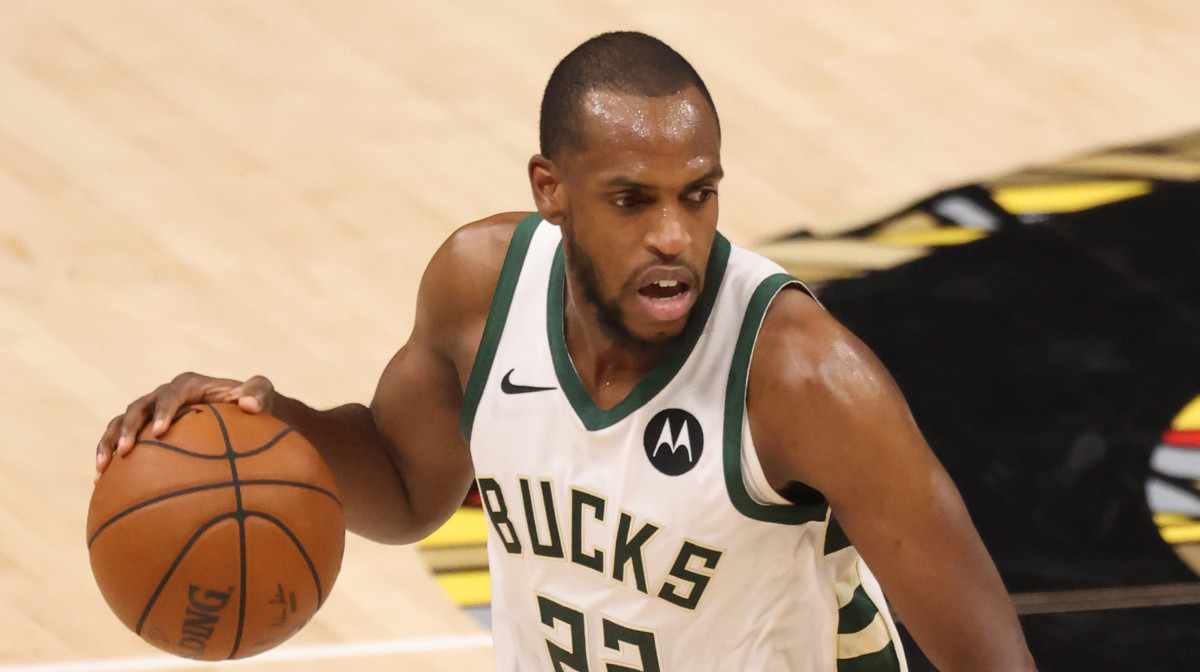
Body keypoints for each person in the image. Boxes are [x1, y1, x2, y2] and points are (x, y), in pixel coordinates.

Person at [96, 31, 1036, 671]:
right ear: (553, 189)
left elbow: (991, 658)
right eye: (634, 200)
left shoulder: (802, 378)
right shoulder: (479, 290)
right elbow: (401, 483)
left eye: (698, 195)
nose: (674, 234)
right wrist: (271, 428)